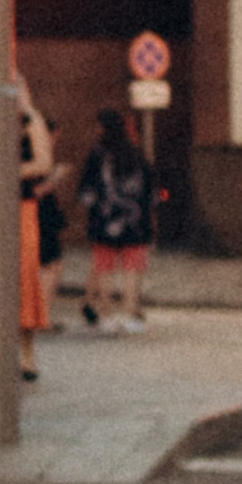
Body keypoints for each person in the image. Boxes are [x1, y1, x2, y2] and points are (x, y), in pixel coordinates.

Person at [0, 88, 56, 380]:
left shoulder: (31, 121)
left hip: (22, 207)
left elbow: (43, 163)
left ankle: (27, 356)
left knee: (24, 276)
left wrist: (6, 171)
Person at [78, 104, 156, 332]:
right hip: (136, 224)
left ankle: (106, 315)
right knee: (132, 270)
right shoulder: (136, 153)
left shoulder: (98, 154)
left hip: (104, 222)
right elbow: (150, 189)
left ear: (103, 128)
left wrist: (93, 206)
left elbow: (86, 190)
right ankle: (131, 314)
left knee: (105, 269)